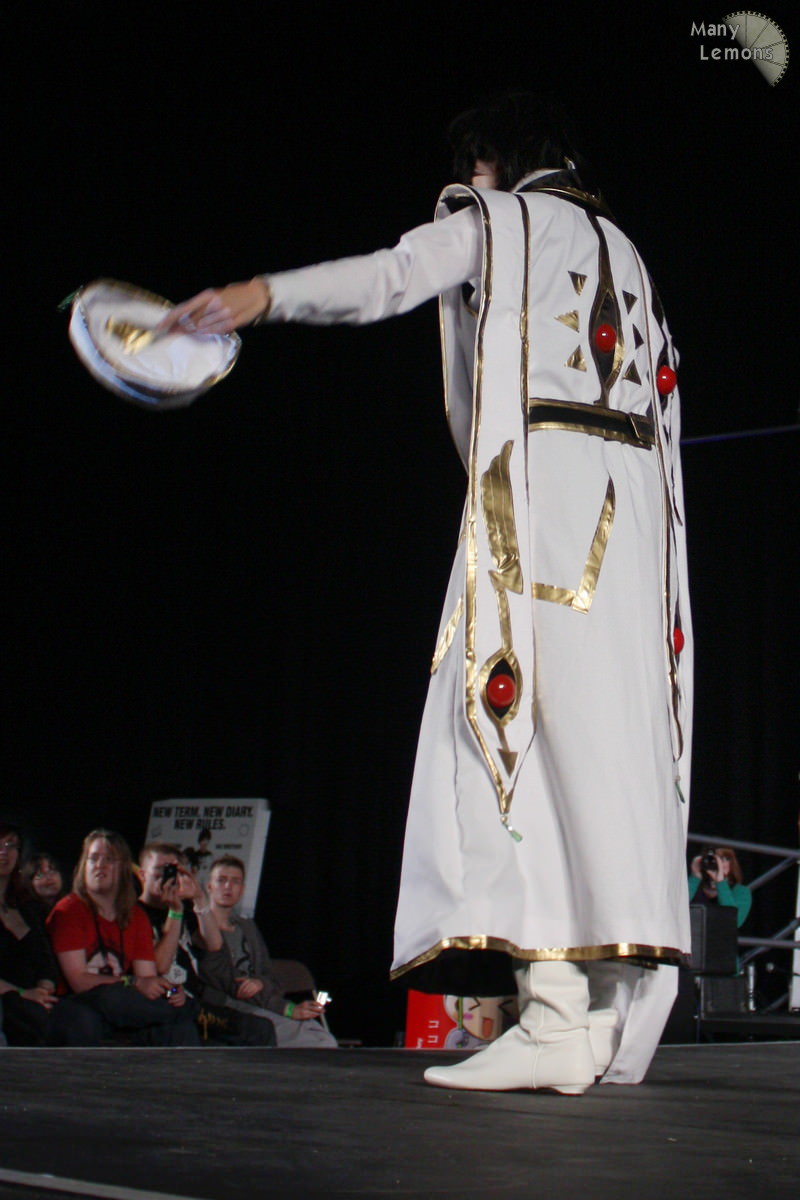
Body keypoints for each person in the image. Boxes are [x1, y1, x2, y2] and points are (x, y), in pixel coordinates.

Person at [160, 92, 692, 1091]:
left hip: (537, 517)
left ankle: (553, 1012)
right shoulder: (629, 254)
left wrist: (258, 294)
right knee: (601, 766)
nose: (464, 185)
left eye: (472, 167)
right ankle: (586, 1016)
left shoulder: (500, 219)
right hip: (628, 545)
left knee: (495, 741)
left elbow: (394, 274)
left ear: (494, 161)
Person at [47, 829, 199, 1045]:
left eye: (109, 859)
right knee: (113, 998)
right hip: (78, 1002)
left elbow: (148, 978)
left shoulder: (136, 916)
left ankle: (187, 1012)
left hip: (122, 1005)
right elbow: (79, 981)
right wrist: (134, 982)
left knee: (177, 1025)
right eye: (93, 859)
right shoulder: (69, 910)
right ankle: (192, 1010)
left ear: (123, 868)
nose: (99, 865)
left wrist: (172, 991)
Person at [137, 841, 276, 1045]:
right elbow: (160, 966)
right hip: (166, 1004)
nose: (165, 877)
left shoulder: (184, 909)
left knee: (260, 1029)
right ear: (142, 875)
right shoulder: (136, 913)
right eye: (159, 870)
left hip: (194, 1001)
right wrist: (175, 912)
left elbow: (214, 944)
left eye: (172, 871)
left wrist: (199, 897)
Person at [197, 855, 336, 1047]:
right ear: (209, 886)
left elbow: (269, 975)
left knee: (322, 1037)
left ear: (242, 889)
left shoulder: (247, 927)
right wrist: (287, 1009)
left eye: (235, 881)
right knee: (317, 1043)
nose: (228, 886)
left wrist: (260, 982)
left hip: (264, 1003)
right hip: (228, 1010)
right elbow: (231, 985)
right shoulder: (202, 931)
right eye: (221, 880)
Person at [0, 822, 60, 1045]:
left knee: (76, 1019)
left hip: (34, 998)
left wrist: (43, 989)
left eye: (10, 845)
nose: (4, 852)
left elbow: (46, 960)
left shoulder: (28, 906)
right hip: (7, 999)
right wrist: (22, 994)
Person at [689, 847, 751, 928]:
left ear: (731, 864)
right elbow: (675, 908)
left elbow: (734, 921)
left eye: (723, 859)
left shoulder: (741, 891)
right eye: (713, 859)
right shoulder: (693, 884)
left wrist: (720, 882)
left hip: (721, 935)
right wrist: (695, 877)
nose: (718, 863)